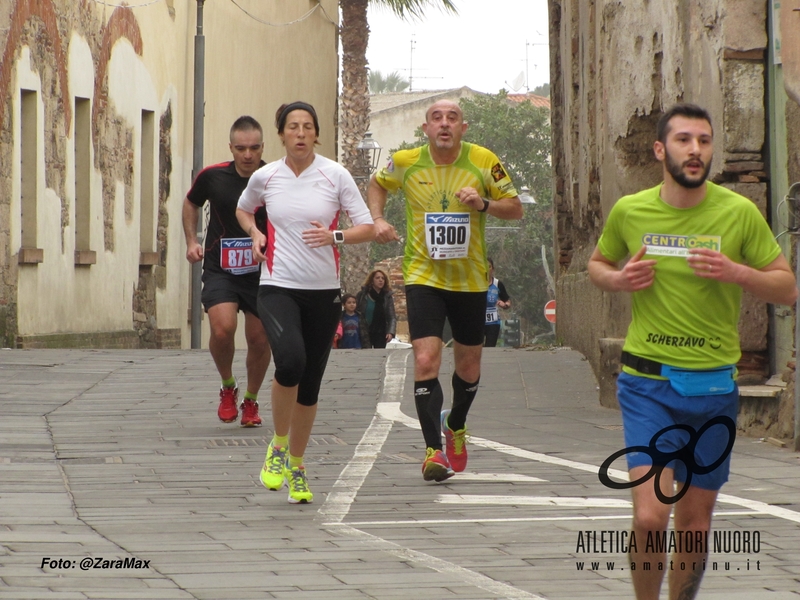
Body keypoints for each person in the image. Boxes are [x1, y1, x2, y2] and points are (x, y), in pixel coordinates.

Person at [587, 103, 797, 600]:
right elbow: (598, 263)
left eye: (704, 140)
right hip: (649, 385)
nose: (695, 149)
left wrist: (737, 272)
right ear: (661, 149)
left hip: (713, 389)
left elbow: (787, 288)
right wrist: (619, 279)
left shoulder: (738, 212)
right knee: (649, 515)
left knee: (696, 527)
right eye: (684, 139)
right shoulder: (631, 211)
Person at [368, 99, 523, 482]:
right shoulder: (405, 162)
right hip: (424, 277)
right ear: (426, 128)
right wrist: (377, 218)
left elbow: (516, 208)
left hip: (469, 280)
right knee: (425, 361)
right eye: (436, 118)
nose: (444, 124)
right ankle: (433, 451)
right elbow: (376, 183)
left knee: (469, 366)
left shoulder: (484, 160)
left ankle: (455, 423)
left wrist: (484, 203)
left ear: (462, 128)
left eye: (452, 118)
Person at [236, 101, 374, 504]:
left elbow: (365, 226)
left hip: (324, 293)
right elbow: (244, 210)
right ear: (281, 135)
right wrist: (255, 234)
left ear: (316, 134)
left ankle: (297, 464)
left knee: (310, 384)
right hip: (277, 286)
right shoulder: (266, 176)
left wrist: (335, 238)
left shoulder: (335, 175)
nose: (300, 133)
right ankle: (278, 446)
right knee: (291, 363)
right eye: (292, 127)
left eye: (307, 127)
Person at [182, 116, 271, 427]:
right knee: (222, 329)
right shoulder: (213, 177)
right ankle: (228, 385)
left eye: (254, 148)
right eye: (241, 148)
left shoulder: (276, 177)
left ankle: (251, 400)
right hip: (222, 267)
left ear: (263, 147)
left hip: (263, 270)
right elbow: (191, 203)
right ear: (231, 148)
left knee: (260, 339)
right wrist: (192, 241)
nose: (248, 155)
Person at [355, 270, 396, 348]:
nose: (380, 280)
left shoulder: (387, 296)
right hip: (365, 331)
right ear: (372, 280)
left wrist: (390, 332)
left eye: (383, 278)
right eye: (377, 278)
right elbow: (356, 312)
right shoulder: (363, 295)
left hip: (381, 332)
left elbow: (392, 317)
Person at [484, 258, 511, 347]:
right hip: (477, 322)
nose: (487, 269)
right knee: (476, 350)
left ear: (493, 269)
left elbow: (507, 300)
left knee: (490, 348)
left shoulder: (497, 284)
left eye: (489, 266)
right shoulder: (474, 283)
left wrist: (505, 305)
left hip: (493, 323)